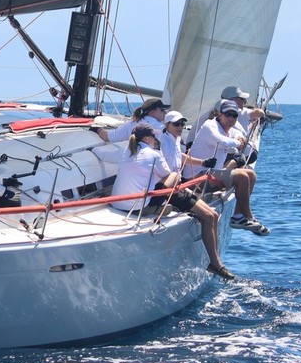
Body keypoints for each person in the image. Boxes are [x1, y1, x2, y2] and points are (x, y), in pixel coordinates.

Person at [94, 124, 232, 279]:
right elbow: (169, 176)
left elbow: (102, 153)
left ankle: (215, 261)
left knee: (205, 211)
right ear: (147, 138)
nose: (156, 140)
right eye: (154, 137)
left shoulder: (124, 153)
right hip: (143, 204)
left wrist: (92, 149)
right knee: (207, 213)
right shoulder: (154, 154)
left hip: (119, 203)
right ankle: (216, 263)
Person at [186, 100, 269, 235]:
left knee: (251, 174)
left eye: (234, 115)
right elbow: (222, 141)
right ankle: (249, 216)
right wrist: (238, 142)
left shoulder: (229, 129)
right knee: (241, 177)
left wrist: (240, 139)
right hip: (195, 178)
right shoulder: (210, 125)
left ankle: (237, 216)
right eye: (227, 114)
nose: (231, 118)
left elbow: (242, 139)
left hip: (211, 174)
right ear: (220, 115)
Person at [98, 96, 168, 143]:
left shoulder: (132, 123)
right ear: (153, 111)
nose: (165, 112)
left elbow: (108, 137)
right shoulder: (162, 128)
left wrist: (97, 129)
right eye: (162, 110)